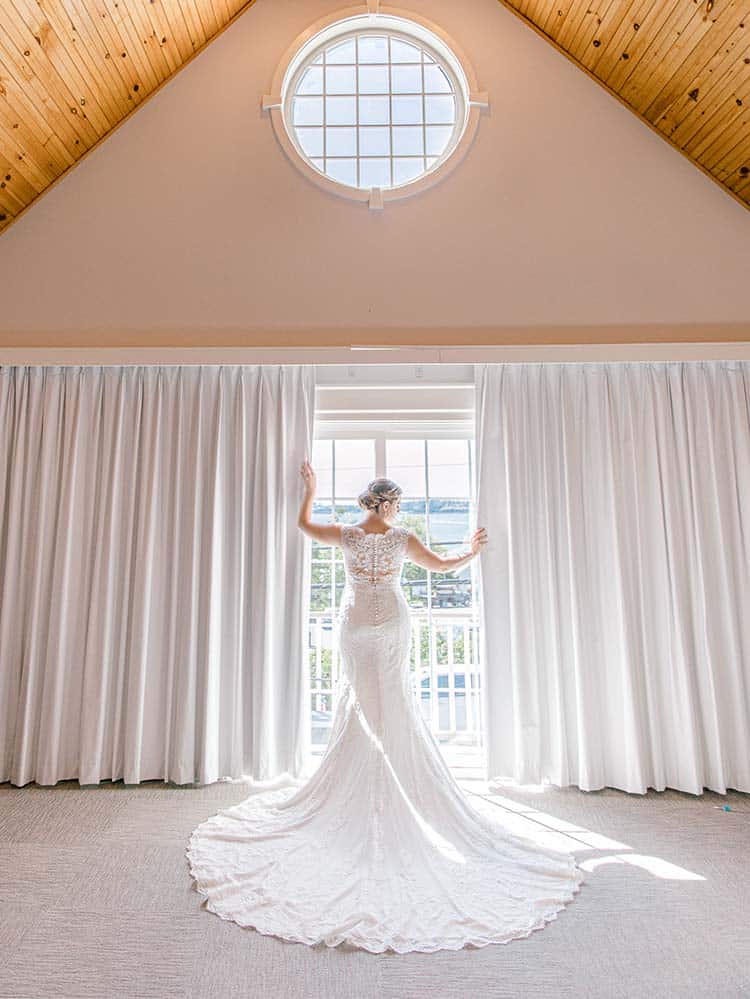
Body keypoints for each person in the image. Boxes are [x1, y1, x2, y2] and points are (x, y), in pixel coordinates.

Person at [187, 461, 583, 954]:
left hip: (356, 622)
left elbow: (303, 526)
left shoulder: (350, 536)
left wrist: (310, 491)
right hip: (392, 621)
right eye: (397, 503)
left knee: (365, 702)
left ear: (367, 504)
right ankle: (393, 767)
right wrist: (471, 552)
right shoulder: (401, 539)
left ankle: (373, 762)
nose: (398, 510)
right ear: (390, 505)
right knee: (393, 699)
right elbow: (440, 566)